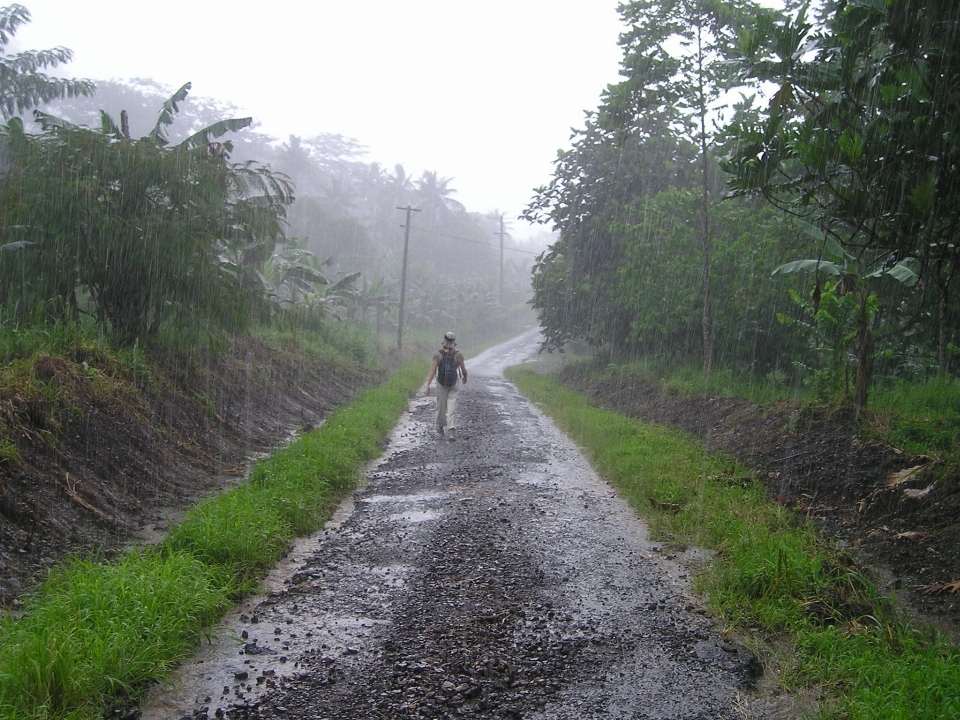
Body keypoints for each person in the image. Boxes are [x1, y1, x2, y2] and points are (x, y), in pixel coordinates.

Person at [425, 331, 467, 440]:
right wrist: (465, 377)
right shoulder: (458, 355)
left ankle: (439, 427)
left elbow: (433, 370)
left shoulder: (437, 354)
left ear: (444, 340)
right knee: (452, 407)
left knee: (441, 406)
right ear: (453, 342)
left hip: (441, 383)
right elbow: (463, 370)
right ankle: (452, 430)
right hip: (454, 384)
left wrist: (428, 384)